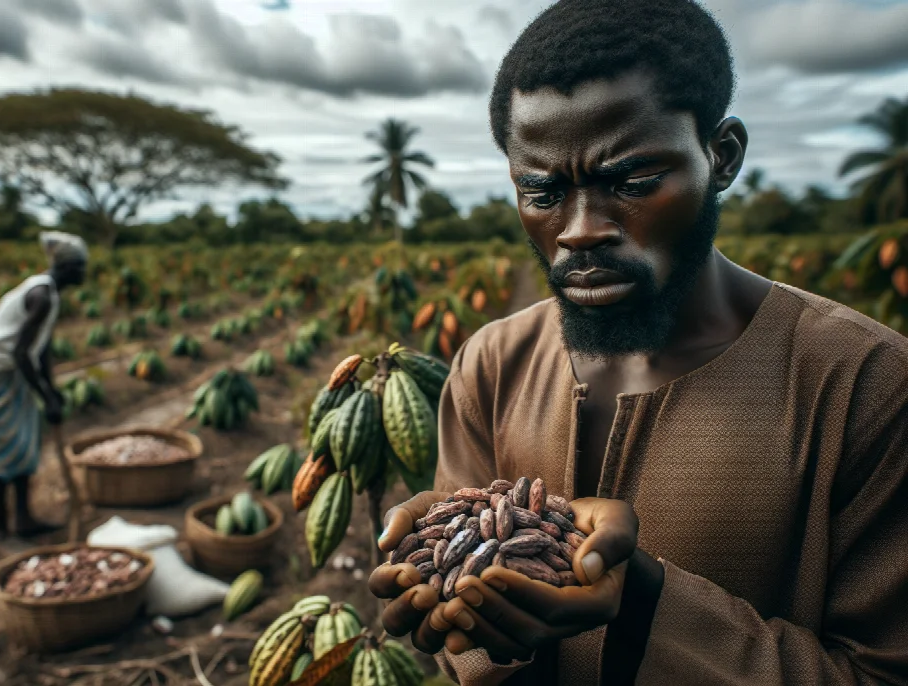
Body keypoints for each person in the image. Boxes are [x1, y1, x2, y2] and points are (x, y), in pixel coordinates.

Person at [368, 1, 908, 684]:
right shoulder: (491, 364)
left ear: (722, 156)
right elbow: (466, 640)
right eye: (541, 192)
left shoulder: (867, 384)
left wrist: (642, 598)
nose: (580, 230)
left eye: (631, 181)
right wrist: (473, 620)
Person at [0, 231, 88, 540]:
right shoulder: (41, 296)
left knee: (23, 443)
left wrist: (52, 389)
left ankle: (23, 518)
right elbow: (21, 352)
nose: (84, 274)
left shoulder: (51, 295)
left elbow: (40, 348)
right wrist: (45, 396)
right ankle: (1, 527)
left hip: (14, 368)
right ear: (66, 268)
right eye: (80, 267)